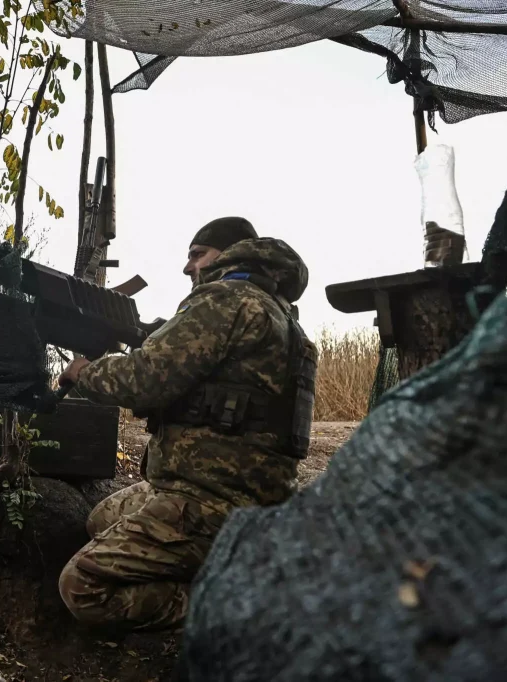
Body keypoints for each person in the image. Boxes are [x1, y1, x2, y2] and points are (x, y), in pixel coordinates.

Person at [55, 216, 318, 632]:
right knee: (102, 519)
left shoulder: (226, 299)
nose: (188, 267)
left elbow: (144, 381)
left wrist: (84, 373)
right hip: (241, 494)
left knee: (82, 585)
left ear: (231, 253)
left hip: (213, 501)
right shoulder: (282, 318)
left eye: (197, 255)